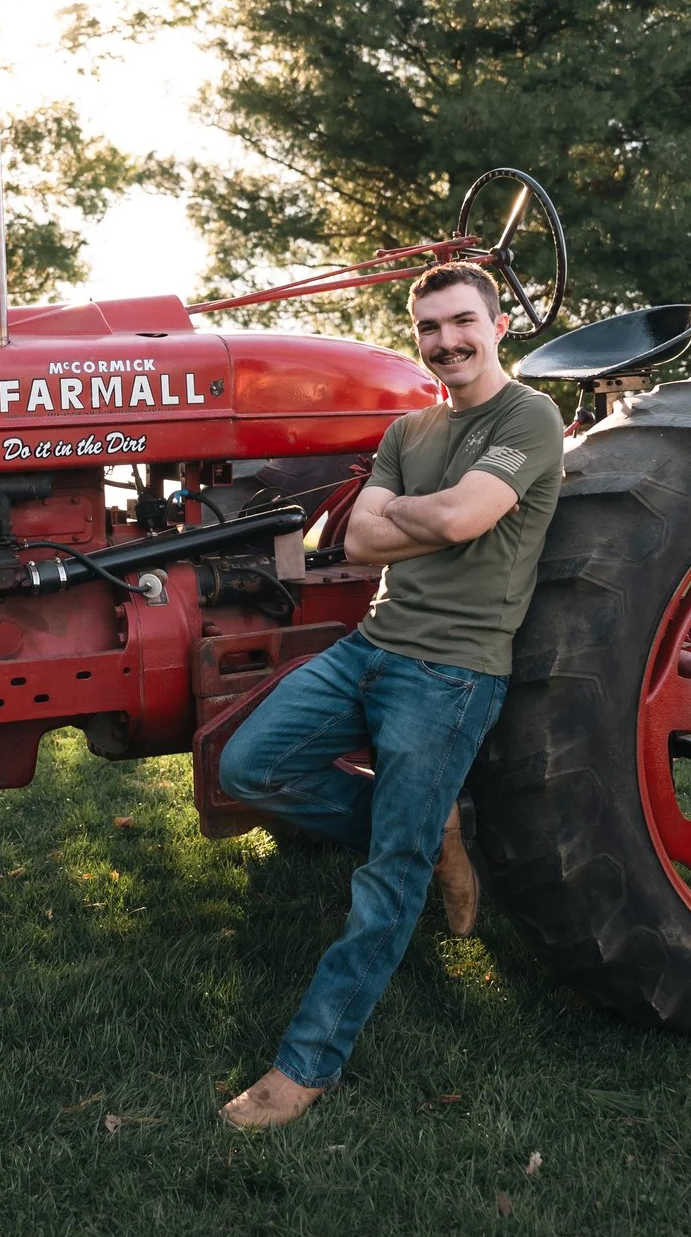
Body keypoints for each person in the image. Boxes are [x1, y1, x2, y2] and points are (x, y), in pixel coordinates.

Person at [216, 261, 565, 1130]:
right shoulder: (410, 431)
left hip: (452, 670)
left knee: (388, 876)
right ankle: (430, 825)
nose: (446, 341)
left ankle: (306, 1066)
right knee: (247, 764)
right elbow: (362, 539)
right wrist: (433, 517)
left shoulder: (530, 416)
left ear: (496, 325)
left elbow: (454, 520)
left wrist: (426, 517)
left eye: (461, 322)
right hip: (371, 644)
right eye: (428, 328)